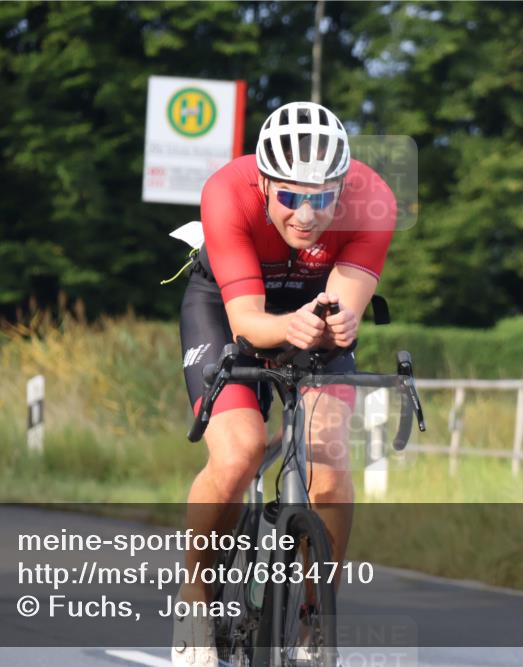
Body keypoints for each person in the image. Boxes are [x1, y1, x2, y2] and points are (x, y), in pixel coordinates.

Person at [174, 101, 396, 665]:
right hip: (229, 306)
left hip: (313, 310)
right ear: (264, 182)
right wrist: (285, 328)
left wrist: (339, 322)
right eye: (291, 197)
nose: (306, 213)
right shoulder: (227, 191)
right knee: (240, 450)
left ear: (343, 189)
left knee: (329, 457)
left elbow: (344, 308)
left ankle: (314, 618)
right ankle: (197, 595)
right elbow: (248, 320)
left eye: (322, 198)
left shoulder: (374, 203)